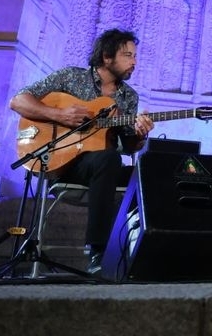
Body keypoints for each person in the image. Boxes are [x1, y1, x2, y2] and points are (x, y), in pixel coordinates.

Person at [10, 29, 154, 274]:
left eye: (135, 56)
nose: (134, 62)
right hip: (63, 162)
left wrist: (140, 135)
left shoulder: (129, 97)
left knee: (149, 174)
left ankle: (140, 253)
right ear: (107, 57)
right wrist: (59, 114)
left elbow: (130, 145)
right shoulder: (70, 77)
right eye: (128, 55)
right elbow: (18, 101)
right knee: (109, 159)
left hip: (102, 167)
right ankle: (98, 253)